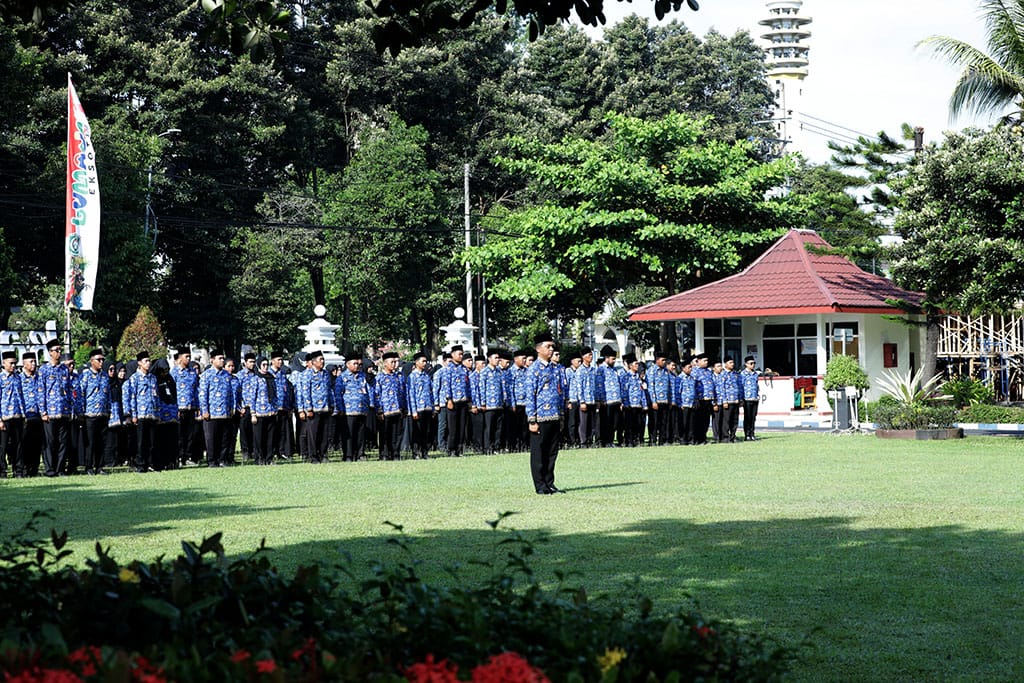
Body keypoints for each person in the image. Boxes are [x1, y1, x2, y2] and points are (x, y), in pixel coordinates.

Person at [525, 332, 565, 495]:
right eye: (547, 346)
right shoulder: (533, 369)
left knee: (552, 452)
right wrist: (532, 419)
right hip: (540, 417)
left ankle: (550, 482)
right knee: (539, 452)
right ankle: (540, 485)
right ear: (538, 349)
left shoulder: (555, 369)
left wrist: (561, 414)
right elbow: (530, 395)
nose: (551, 349)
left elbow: (560, 392)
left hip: (554, 415)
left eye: (552, 347)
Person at [38, 339, 74, 476]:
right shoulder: (44, 370)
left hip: (63, 411)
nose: (59, 353)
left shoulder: (64, 369)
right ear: (50, 352)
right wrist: (43, 411)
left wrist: (70, 409)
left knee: (63, 442)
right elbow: (41, 391)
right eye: (56, 350)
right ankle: (50, 469)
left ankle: (60, 469)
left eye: (60, 350)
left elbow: (69, 390)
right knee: (50, 442)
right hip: (50, 412)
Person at [198, 350, 235, 467]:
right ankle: (212, 461)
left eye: (223, 358)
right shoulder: (206, 375)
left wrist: (231, 408)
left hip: (225, 412)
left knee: (225, 438)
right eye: (219, 358)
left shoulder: (227, 375)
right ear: (212, 360)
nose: (222, 361)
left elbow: (231, 394)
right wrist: (205, 410)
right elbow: (203, 394)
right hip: (212, 413)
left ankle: (222, 460)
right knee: (211, 439)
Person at [124, 351, 159, 472]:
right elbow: (132, 397)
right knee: (140, 442)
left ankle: (150, 463)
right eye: (146, 361)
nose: (148, 363)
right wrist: (133, 414)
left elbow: (156, 396)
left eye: (149, 361)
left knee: (152, 442)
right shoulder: (134, 378)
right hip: (141, 414)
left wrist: (157, 412)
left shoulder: (153, 378)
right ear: (139, 363)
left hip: (152, 413)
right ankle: (140, 464)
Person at [78, 348, 111, 475]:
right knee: (90, 442)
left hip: (102, 413)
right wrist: (81, 412)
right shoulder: (85, 375)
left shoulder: (104, 376)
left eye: (103, 359)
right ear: (92, 361)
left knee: (101, 442)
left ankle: (100, 466)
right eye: (99, 360)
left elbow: (107, 396)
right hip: (90, 414)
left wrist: (108, 411)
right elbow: (81, 394)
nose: (101, 362)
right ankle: (89, 466)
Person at [297, 350, 333, 462]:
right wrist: (308, 409)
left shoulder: (326, 374)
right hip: (314, 409)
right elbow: (305, 392)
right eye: (320, 359)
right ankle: (313, 456)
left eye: (323, 359)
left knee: (324, 433)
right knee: (313, 434)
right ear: (313, 362)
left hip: (325, 407)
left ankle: (323, 454)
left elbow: (329, 390)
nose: (322, 362)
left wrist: (332, 404)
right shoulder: (308, 374)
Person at [245, 357, 278, 465]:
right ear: (259, 366)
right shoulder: (255, 379)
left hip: (270, 412)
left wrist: (275, 408)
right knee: (259, 437)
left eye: (267, 365)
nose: (265, 367)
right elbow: (252, 397)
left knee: (270, 437)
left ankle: (269, 458)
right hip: (259, 412)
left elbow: (275, 395)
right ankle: (259, 457)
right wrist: (253, 414)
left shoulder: (271, 378)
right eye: (263, 365)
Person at [441, 345, 471, 457]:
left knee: (462, 427)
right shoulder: (448, 368)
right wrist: (449, 399)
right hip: (453, 401)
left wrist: (469, 399)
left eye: (462, 354)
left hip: (463, 401)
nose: (461, 356)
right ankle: (451, 449)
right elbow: (446, 385)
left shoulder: (464, 369)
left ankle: (460, 449)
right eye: (459, 354)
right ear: (453, 355)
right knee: (453, 427)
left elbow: (468, 385)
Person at [0, 350, 27, 478]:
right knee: (3, 446)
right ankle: (2, 471)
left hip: (17, 416)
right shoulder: (0, 378)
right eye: (11, 363)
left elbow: (21, 397)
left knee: (18, 445)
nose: (13, 366)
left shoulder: (18, 377)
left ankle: (19, 470)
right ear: (3, 363)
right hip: (5, 416)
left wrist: (23, 414)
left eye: (15, 363)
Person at [171, 348, 199, 466]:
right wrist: (175, 408)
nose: (188, 359)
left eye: (189, 356)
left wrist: (197, 407)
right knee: (180, 435)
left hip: (191, 408)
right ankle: (180, 457)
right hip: (180, 408)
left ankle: (188, 457)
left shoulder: (192, 372)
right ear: (180, 357)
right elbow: (172, 392)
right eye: (186, 356)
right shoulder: (174, 373)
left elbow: (196, 390)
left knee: (190, 435)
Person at [374, 352, 406, 460]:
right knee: (384, 434)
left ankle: (395, 453)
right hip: (385, 410)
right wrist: (379, 410)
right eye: (392, 362)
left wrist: (404, 407)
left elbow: (402, 392)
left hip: (397, 409)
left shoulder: (398, 377)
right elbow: (377, 394)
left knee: (396, 434)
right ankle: (384, 454)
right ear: (385, 363)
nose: (394, 364)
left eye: (395, 362)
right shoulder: (379, 377)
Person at [406, 352, 434, 459]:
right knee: (417, 432)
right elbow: (411, 394)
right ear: (416, 362)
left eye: (425, 361)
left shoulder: (426, 376)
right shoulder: (412, 377)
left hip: (427, 407)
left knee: (426, 431)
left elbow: (431, 392)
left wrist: (432, 406)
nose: (425, 363)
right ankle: (416, 452)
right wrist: (413, 410)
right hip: (418, 408)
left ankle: (425, 452)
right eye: (423, 361)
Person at [595, 345, 624, 447]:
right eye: (612, 359)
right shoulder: (601, 370)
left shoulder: (614, 370)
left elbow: (618, 384)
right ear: (606, 358)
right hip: (607, 401)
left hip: (616, 400)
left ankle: (611, 440)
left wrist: (620, 400)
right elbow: (599, 386)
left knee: (615, 423)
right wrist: (600, 400)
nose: (614, 361)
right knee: (607, 423)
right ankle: (606, 441)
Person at [20, 352, 43, 476]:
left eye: (35, 361)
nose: (34, 364)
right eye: (31, 361)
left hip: (38, 415)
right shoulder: (19, 379)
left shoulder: (39, 378)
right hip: (26, 416)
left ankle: (34, 469)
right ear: (24, 363)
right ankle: (24, 469)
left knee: (37, 445)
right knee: (25, 444)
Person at [570, 347, 598, 447]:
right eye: (589, 355)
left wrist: (597, 399)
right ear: (583, 357)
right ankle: (583, 441)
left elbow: (595, 386)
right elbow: (579, 387)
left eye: (591, 355)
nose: (591, 357)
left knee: (592, 422)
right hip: (584, 400)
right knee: (583, 422)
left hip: (592, 400)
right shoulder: (580, 371)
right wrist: (582, 401)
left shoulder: (593, 370)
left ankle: (590, 440)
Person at [691, 353, 716, 445]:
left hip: (708, 399)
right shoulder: (694, 372)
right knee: (698, 421)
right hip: (700, 399)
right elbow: (693, 386)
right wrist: (695, 398)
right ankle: (697, 439)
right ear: (698, 361)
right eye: (704, 361)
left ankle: (703, 438)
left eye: (707, 361)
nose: (706, 362)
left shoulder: (709, 372)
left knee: (706, 421)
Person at [741, 356, 761, 441]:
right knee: (747, 417)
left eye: (754, 363)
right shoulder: (742, 374)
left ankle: (752, 433)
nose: (753, 365)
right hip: (747, 398)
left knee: (753, 417)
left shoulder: (755, 374)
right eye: (751, 363)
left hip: (754, 398)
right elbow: (741, 386)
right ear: (746, 364)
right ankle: (747, 434)